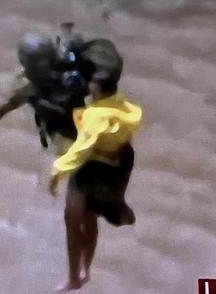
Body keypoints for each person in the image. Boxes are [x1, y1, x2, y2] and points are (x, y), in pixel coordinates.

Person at [0, 24, 124, 153]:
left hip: (81, 108)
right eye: (40, 63)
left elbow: (110, 59)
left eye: (49, 59)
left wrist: (81, 66)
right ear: (29, 64)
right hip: (59, 125)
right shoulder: (27, 85)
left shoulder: (66, 56)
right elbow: (2, 108)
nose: (47, 66)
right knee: (74, 157)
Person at [48, 71, 143, 292]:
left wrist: (56, 173)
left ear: (97, 89)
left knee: (72, 221)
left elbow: (81, 151)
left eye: (91, 83)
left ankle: (73, 278)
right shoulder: (124, 106)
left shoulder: (96, 116)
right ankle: (85, 271)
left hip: (92, 168)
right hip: (118, 168)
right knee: (91, 218)